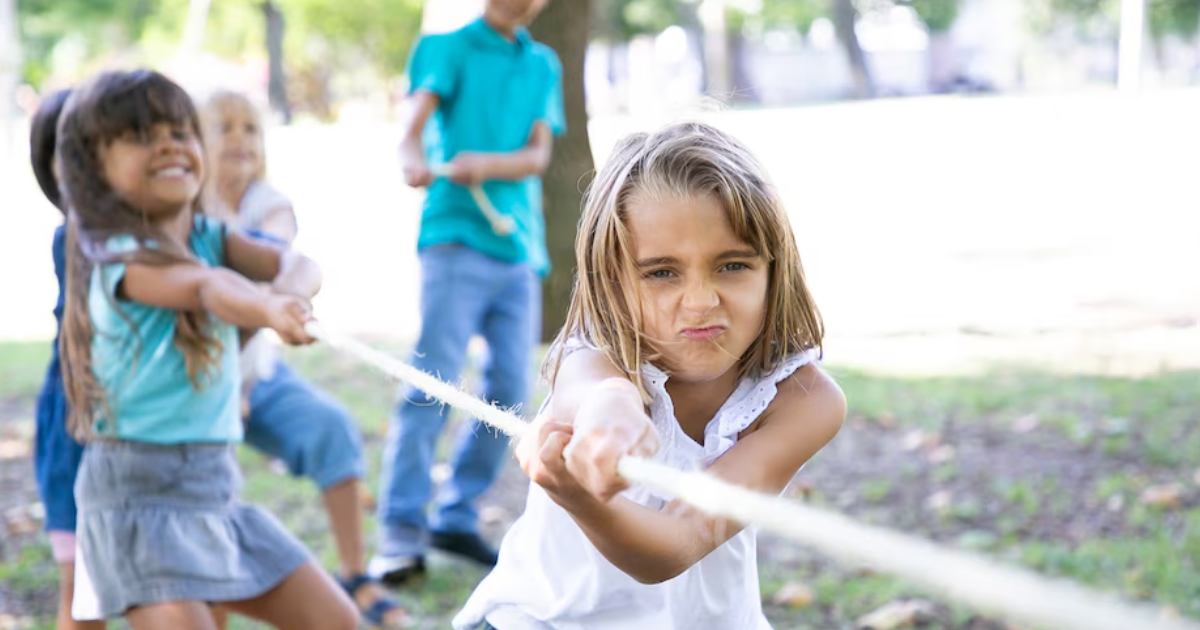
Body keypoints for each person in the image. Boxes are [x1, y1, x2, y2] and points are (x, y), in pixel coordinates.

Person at [453, 121, 847, 630]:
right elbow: (594, 391)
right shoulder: (596, 356)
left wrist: (582, 501)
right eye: (662, 272)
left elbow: (676, 545)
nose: (702, 303)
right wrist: (611, 409)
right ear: (613, 283)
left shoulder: (803, 400)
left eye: (732, 266)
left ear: (775, 269)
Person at [56, 68, 357, 630]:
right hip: (137, 500)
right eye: (143, 134)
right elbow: (204, 287)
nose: (170, 143)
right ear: (93, 167)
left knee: (336, 620)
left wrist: (288, 294)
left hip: (215, 489)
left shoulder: (212, 237)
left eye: (180, 131)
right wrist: (266, 308)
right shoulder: (118, 257)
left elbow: (300, 263)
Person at [370, 0, 565, 584]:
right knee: (433, 381)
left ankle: (455, 516)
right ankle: (400, 534)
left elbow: (536, 155)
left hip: (517, 249)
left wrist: (488, 163)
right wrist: (414, 162)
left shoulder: (543, 64)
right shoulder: (446, 48)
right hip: (454, 237)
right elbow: (411, 131)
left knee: (509, 391)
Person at [200, 89, 407, 629]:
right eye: (223, 128)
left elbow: (279, 262)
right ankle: (208, 609)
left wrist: (281, 303)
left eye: (250, 128)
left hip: (252, 370)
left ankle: (356, 574)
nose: (240, 139)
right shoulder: (189, 206)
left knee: (332, 427)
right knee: (208, 501)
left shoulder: (268, 204)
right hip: (197, 384)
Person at [28, 87, 104, 630]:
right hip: (78, 431)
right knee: (82, 598)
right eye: (69, 150)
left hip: (117, 430)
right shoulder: (75, 239)